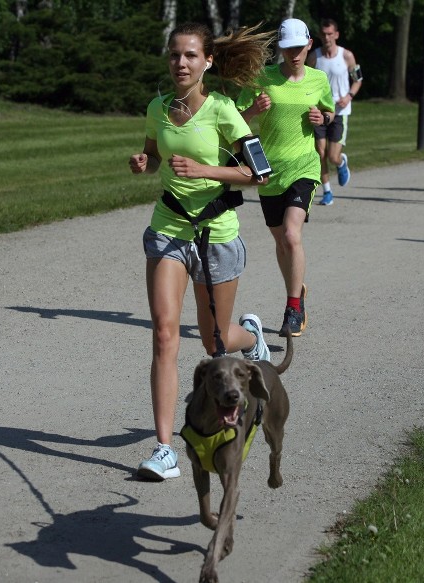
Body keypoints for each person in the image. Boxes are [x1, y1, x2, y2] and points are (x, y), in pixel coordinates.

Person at [128, 22, 275, 481]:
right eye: (175, 55)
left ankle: (251, 338)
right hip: (169, 228)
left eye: (190, 56)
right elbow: (153, 153)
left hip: (217, 234)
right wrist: (143, 162)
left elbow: (260, 175)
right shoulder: (157, 107)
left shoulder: (224, 111)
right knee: (164, 335)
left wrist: (204, 168)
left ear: (207, 61)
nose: (181, 63)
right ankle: (166, 448)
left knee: (213, 342)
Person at [236, 18, 335, 337]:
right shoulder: (261, 78)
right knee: (281, 241)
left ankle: (293, 307)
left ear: (309, 45)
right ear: (280, 48)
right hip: (268, 172)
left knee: (292, 236)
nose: (294, 54)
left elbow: (329, 112)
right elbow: (234, 121)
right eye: (287, 48)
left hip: (304, 166)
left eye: (299, 47)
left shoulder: (318, 79)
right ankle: (297, 289)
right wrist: (253, 110)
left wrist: (323, 117)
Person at [306, 18, 362, 206]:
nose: (327, 37)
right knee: (320, 153)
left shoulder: (346, 56)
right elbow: (306, 80)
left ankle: (340, 163)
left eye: (330, 34)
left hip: (340, 112)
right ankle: (327, 191)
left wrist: (349, 96)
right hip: (320, 112)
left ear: (336, 35)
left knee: (332, 155)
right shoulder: (314, 57)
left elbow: (358, 79)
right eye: (323, 34)